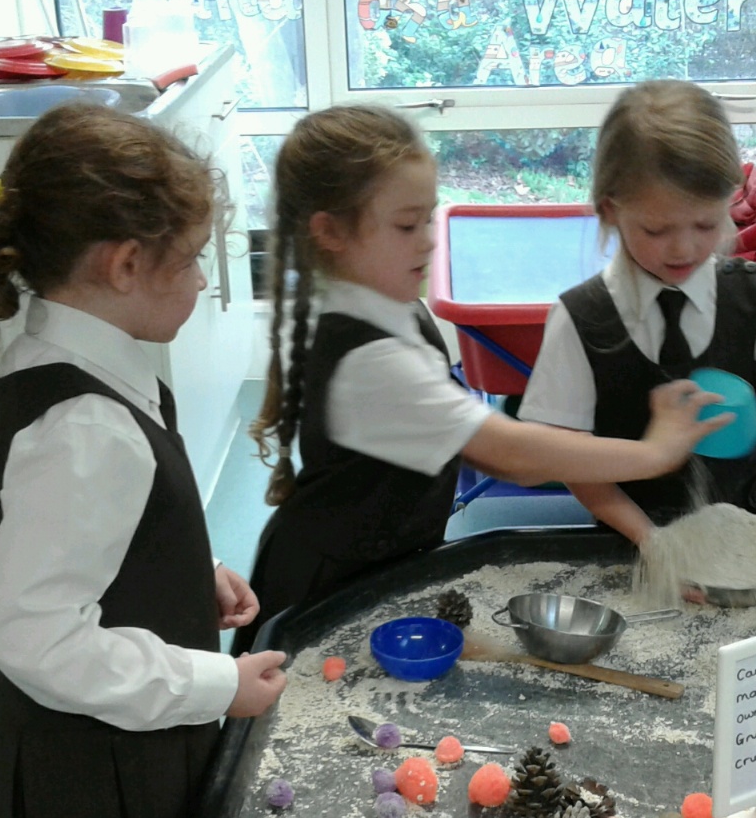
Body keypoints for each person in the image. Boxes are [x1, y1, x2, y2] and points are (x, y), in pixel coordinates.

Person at [0, 102, 289, 818]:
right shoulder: (86, 424)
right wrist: (218, 685)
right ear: (125, 265)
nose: (202, 281)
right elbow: (37, 638)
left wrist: (185, 573)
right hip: (98, 772)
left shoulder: (67, 358)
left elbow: (92, 535)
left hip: (117, 737)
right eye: (190, 259)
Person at [243, 104, 730, 648]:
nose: (429, 240)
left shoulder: (377, 298)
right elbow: (510, 456)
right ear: (330, 232)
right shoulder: (370, 362)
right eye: (406, 225)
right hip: (325, 592)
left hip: (372, 565)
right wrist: (654, 453)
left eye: (429, 217)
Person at [519, 80, 756, 598]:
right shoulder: (580, 319)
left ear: (730, 200)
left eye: (705, 225)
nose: (683, 249)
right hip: (632, 548)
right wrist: (655, 545)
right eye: (657, 230)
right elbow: (571, 461)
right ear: (609, 210)